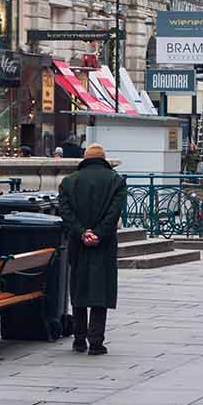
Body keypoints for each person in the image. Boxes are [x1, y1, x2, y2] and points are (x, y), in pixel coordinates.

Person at [56, 143, 127, 354]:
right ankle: (96, 341)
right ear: (103, 159)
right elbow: (114, 213)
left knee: (79, 288)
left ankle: (79, 339)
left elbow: (65, 212)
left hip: (78, 244)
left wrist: (81, 232)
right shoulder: (116, 181)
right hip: (104, 244)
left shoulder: (69, 182)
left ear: (85, 159)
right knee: (100, 290)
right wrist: (99, 233)